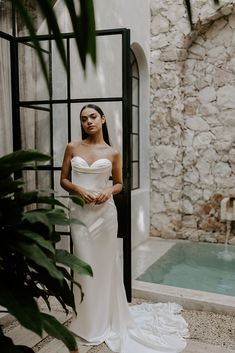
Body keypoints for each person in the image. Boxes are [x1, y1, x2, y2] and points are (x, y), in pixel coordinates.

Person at [60, 104, 188, 353]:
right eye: (84, 118)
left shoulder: (113, 152)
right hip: (79, 213)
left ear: (103, 119)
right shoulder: (72, 147)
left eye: (93, 117)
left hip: (104, 215)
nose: (88, 122)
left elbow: (119, 184)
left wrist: (108, 190)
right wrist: (79, 189)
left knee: (104, 266)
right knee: (83, 264)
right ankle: (85, 321)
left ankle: (104, 320)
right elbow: (64, 179)